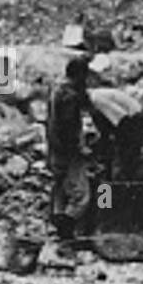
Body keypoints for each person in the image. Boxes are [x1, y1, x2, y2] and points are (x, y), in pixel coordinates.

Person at [46, 56, 92, 240]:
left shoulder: (56, 89)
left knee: (60, 188)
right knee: (81, 194)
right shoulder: (70, 96)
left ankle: (58, 225)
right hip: (67, 151)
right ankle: (67, 231)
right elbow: (68, 127)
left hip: (54, 149)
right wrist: (79, 149)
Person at [88, 85, 143, 182]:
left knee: (124, 162)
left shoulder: (96, 99)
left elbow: (122, 119)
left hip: (134, 120)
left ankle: (126, 183)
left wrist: (120, 145)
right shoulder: (93, 104)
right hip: (129, 121)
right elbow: (104, 130)